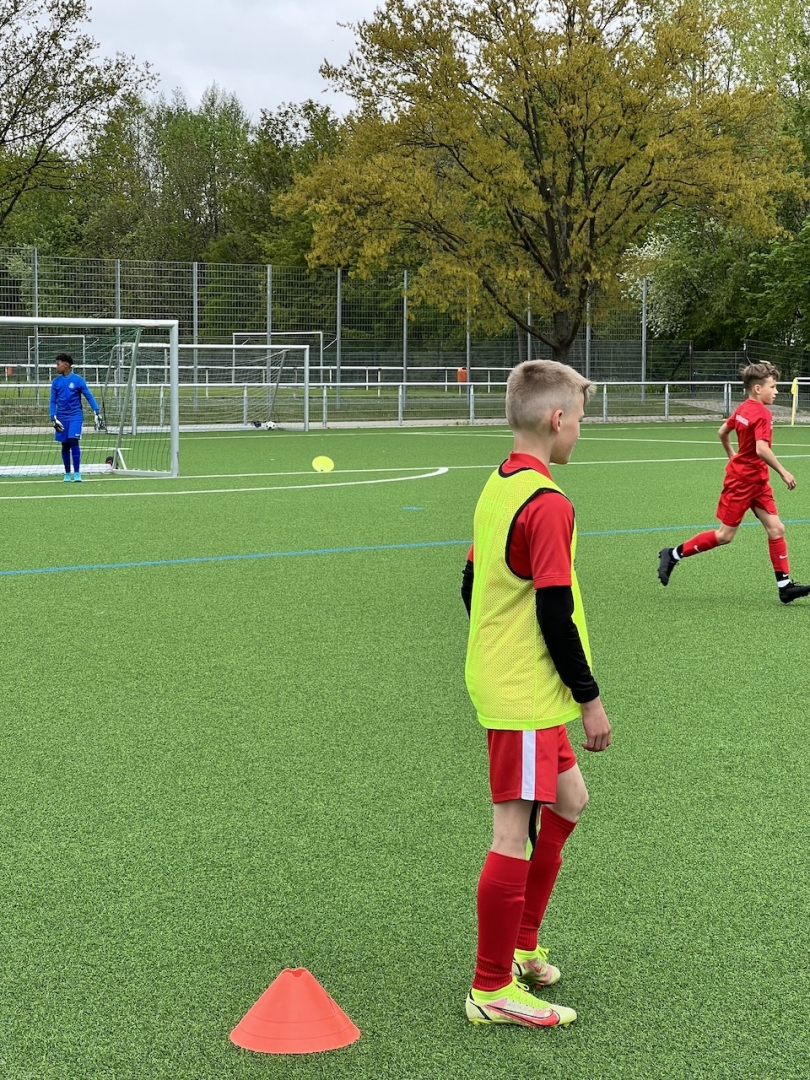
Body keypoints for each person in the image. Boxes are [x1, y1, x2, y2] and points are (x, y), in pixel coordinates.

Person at [461, 359, 612, 1030]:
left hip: (524, 681)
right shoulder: (547, 503)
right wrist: (590, 698)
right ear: (556, 420)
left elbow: (471, 582)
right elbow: (554, 610)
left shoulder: (502, 481)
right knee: (510, 833)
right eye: (579, 418)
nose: (580, 430)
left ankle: (522, 946)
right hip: (526, 690)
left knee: (570, 801)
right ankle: (491, 987)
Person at [658, 361, 810, 604]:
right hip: (742, 483)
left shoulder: (743, 408)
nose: (776, 391)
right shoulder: (762, 413)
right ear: (758, 388)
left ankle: (785, 586)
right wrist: (783, 472)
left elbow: (722, 432)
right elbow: (761, 449)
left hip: (757, 481)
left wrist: (732, 454)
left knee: (776, 528)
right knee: (724, 535)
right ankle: (673, 554)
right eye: (773, 386)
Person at [49, 352, 103, 482]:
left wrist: (97, 411)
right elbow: (52, 401)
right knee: (65, 445)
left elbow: (89, 395)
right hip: (61, 417)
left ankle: (77, 473)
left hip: (75, 416)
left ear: (66, 365)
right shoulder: (56, 382)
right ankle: (67, 473)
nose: (56, 367)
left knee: (73, 441)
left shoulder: (78, 380)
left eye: (58, 364)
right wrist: (53, 417)